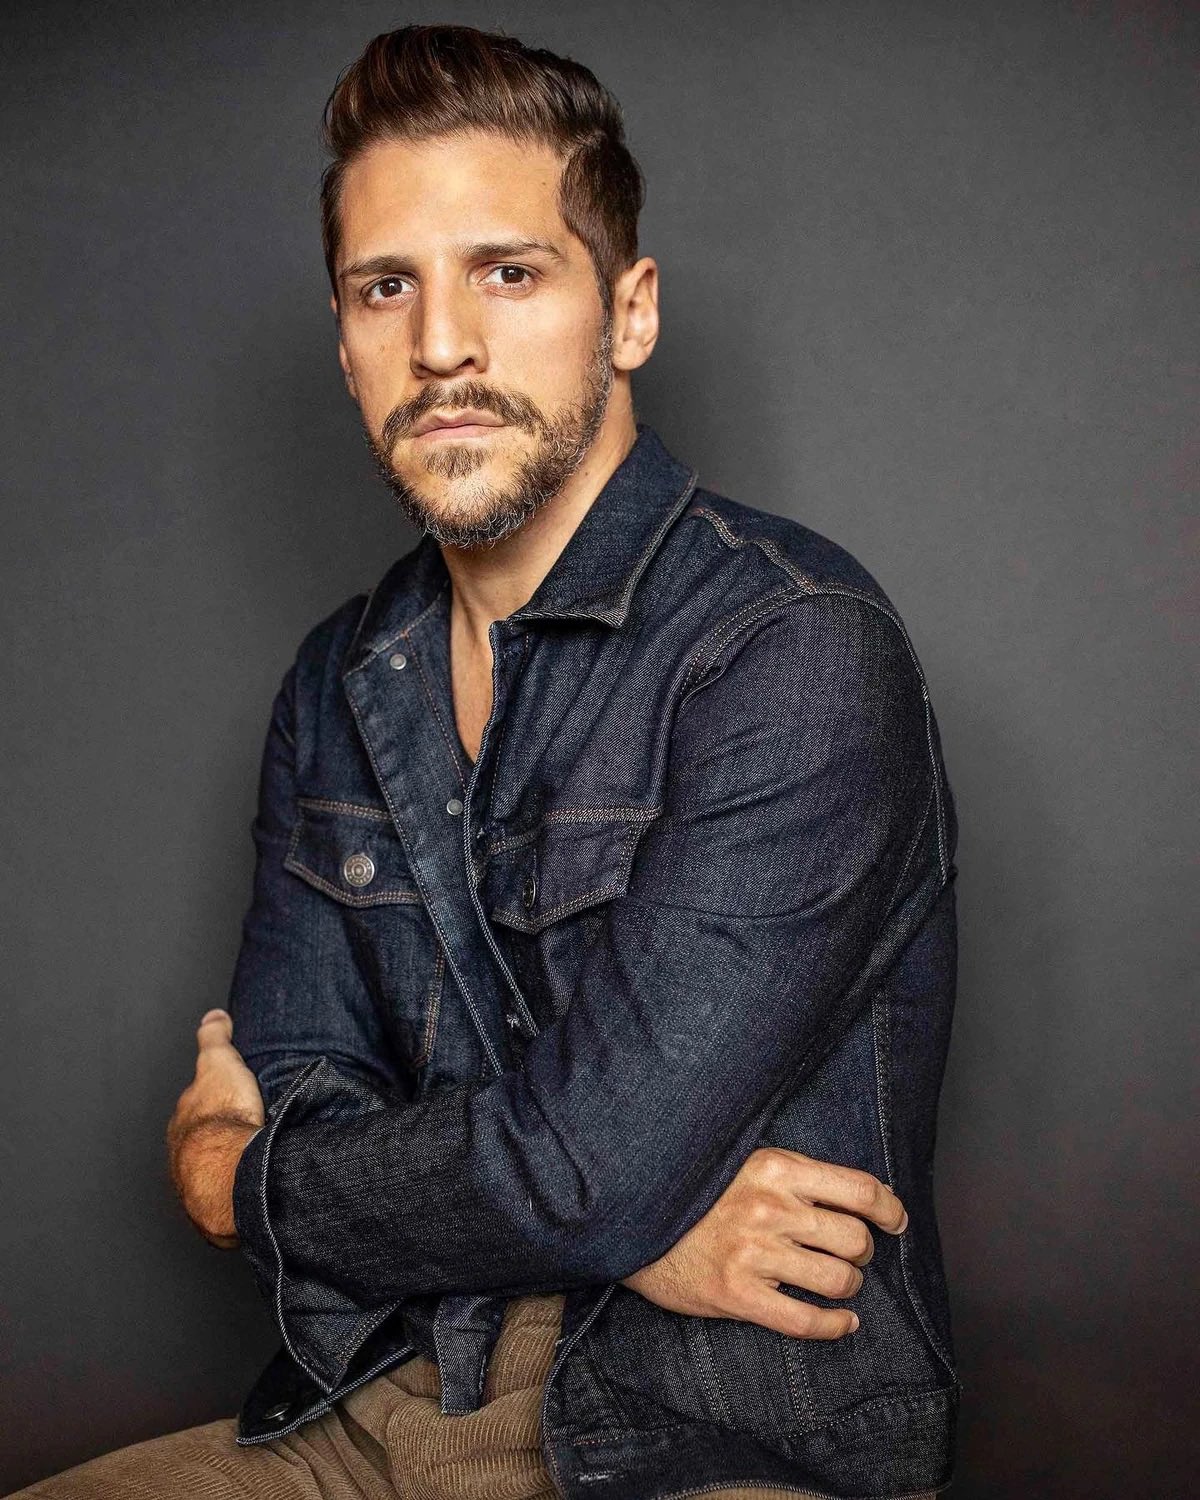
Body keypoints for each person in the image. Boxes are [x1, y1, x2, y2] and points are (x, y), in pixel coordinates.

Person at [6, 22, 959, 1500]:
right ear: (344, 342)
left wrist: (237, 1186)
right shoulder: (338, 679)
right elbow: (317, 1078)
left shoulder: (792, 647)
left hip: (698, 1434)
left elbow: (574, 1173)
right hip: (390, 1395)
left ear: (628, 313)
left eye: (508, 273)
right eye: (386, 287)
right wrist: (624, 1221)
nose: (440, 342)